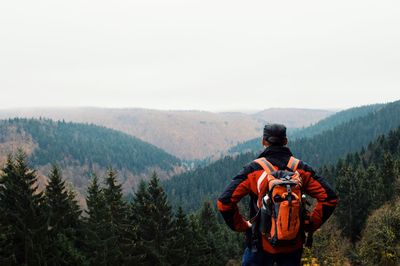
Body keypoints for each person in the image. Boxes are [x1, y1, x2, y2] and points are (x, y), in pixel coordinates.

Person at [217, 124, 338, 266]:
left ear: (263, 141)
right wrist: (308, 224)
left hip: (259, 245)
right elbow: (330, 198)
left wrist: (242, 226)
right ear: (285, 141)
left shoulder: (253, 170)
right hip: (293, 245)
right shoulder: (300, 169)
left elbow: (224, 202)